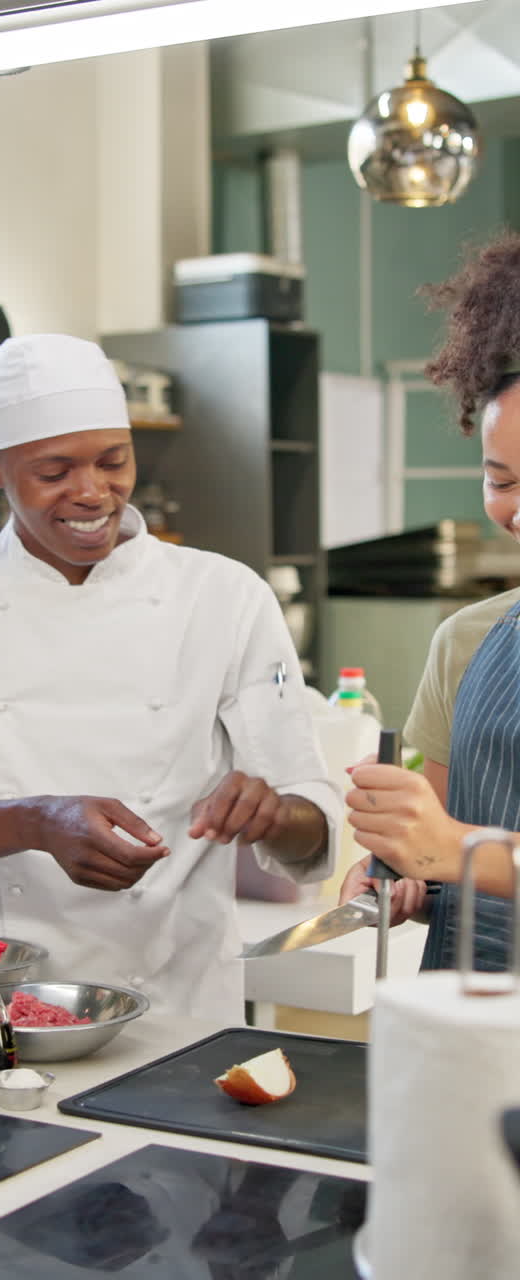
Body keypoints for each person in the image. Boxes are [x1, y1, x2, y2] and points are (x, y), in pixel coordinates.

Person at [0, 332, 341, 1019]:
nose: (92, 493)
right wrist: (36, 821)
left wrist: (273, 814)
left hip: (176, 1007)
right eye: (53, 472)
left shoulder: (229, 596)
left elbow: (310, 820)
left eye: (114, 461)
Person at [341, 230, 520, 971]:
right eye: (502, 480)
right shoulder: (467, 642)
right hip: (463, 1028)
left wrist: (460, 850)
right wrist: (400, 866)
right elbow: (434, 838)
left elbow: (456, 844)